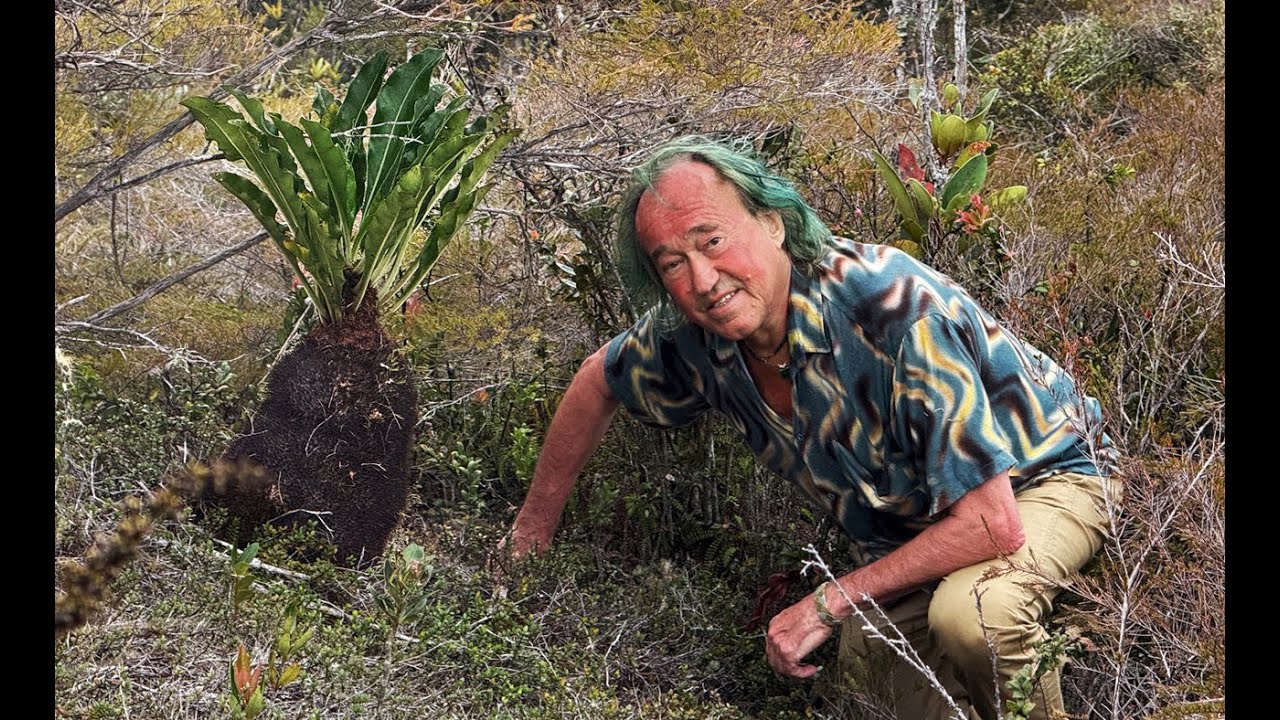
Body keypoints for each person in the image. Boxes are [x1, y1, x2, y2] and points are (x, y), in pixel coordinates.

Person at [498, 136, 1120, 719]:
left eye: (712, 241)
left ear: (773, 221)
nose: (703, 281)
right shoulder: (695, 336)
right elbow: (595, 380)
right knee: (873, 671)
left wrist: (830, 600)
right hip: (910, 526)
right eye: (672, 264)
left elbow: (993, 522)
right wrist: (534, 527)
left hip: (1046, 479)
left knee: (974, 615)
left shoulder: (891, 308)